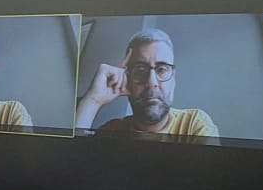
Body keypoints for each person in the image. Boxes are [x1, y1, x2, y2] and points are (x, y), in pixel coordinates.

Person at [76, 28, 221, 141]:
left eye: (162, 69)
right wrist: (92, 101)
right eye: (140, 70)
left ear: (173, 80)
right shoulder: (112, 131)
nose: (152, 83)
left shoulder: (194, 124)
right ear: (127, 78)